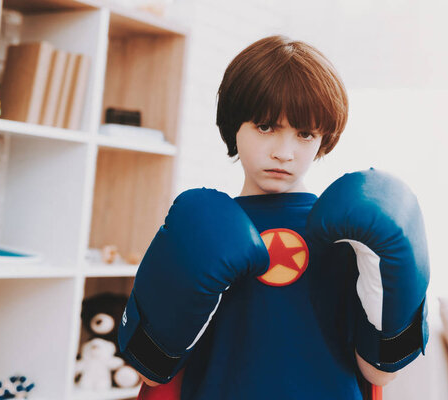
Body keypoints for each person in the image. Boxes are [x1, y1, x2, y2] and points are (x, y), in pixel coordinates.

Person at [118, 35, 429, 400]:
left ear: (323, 139)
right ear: (235, 124)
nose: (284, 152)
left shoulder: (351, 234)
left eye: (305, 133)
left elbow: (379, 371)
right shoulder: (201, 228)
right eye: (266, 127)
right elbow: (151, 373)